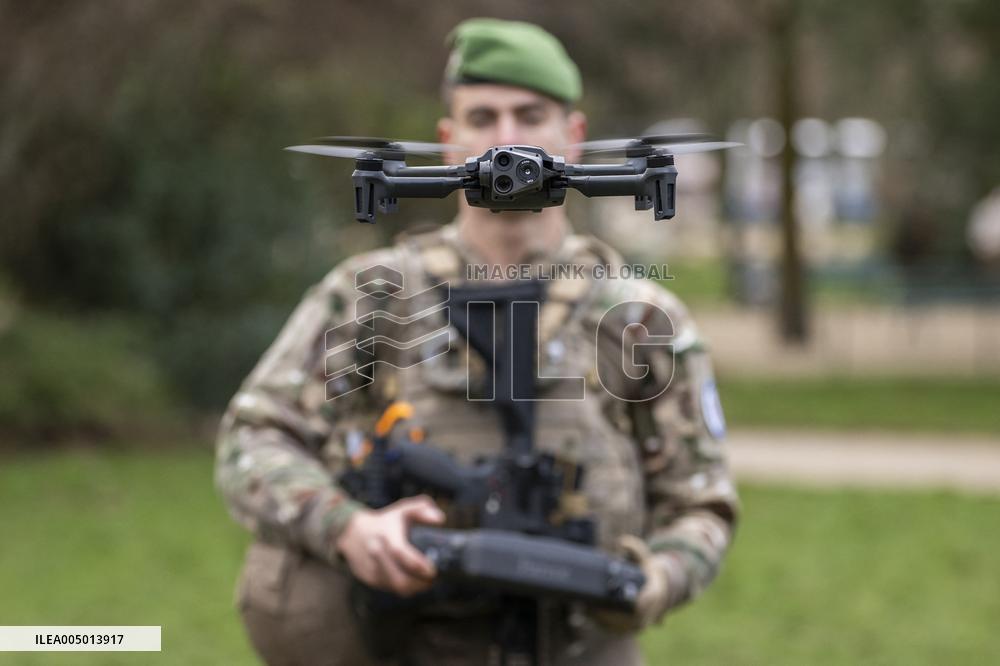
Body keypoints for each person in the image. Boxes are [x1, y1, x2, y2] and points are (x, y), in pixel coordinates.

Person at [215, 17, 739, 666]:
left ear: (573, 137)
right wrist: (348, 528)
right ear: (447, 141)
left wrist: (650, 581)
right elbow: (252, 438)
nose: (508, 140)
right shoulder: (373, 296)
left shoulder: (637, 316)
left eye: (530, 115)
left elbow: (703, 501)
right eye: (483, 118)